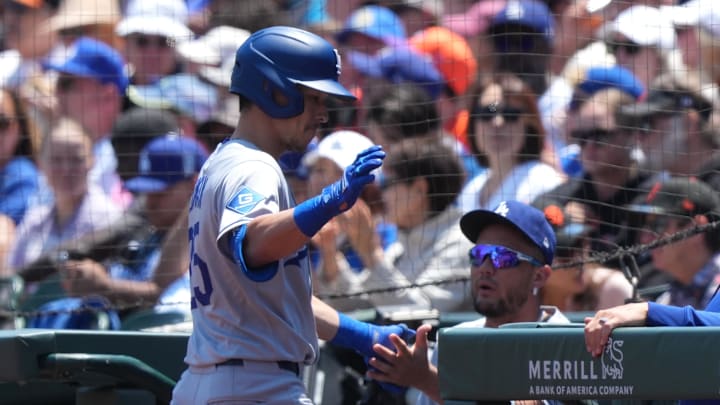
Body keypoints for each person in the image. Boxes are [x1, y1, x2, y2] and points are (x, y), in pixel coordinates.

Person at [171, 26, 415, 404]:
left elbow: (279, 301)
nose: (322, 115)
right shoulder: (255, 167)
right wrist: (329, 201)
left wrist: (364, 336)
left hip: (216, 382)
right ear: (273, 91)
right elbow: (252, 245)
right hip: (253, 386)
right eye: (314, 99)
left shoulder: (222, 161)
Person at [367, 200, 569, 404]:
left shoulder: (567, 344)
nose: (485, 268)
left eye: (504, 258)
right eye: (479, 254)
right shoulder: (455, 342)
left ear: (539, 276)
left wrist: (427, 380)